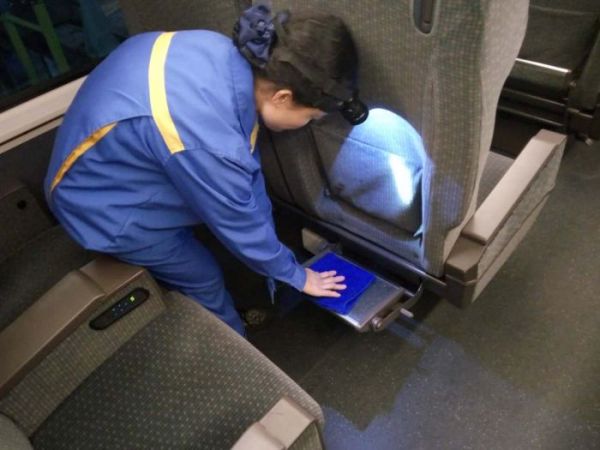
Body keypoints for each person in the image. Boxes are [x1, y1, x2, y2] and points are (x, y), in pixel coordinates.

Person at [44, 4, 368, 335]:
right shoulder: (207, 140)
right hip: (98, 205)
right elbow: (237, 219)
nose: (307, 124)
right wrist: (296, 276)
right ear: (282, 97)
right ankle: (235, 348)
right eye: (310, 117)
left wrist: (273, 255)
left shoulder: (220, 53)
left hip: (108, 159)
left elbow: (244, 182)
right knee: (203, 278)